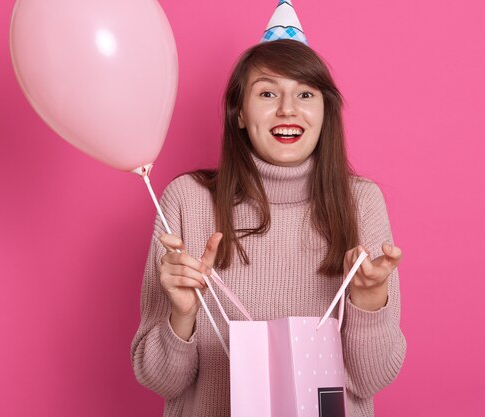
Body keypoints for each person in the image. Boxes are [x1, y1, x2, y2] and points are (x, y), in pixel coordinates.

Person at [130, 37, 406, 417]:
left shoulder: (362, 204)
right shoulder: (187, 201)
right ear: (239, 113)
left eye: (305, 94)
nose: (287, 110)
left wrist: (370, 302)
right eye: (267, 93)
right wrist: (182, 315)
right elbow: (160, 381)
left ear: (326, 111)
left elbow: (369, 380)